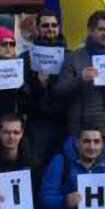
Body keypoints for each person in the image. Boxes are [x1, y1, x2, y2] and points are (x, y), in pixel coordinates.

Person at [54, 12, 105, 163]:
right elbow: (59, 90)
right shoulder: (74, 58)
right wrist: (81, 79)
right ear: (90, 31)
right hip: (84, 136)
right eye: (101, 29)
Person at [25, 10, 68, 163]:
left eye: (54, 25)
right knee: (37, 165)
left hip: (65, 122)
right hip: (38, 123)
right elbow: (22, 89)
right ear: (37, 28)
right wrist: (38, 85)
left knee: (62, 166)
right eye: (45, 25)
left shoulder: (69, 55)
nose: (50, 28)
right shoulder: (27, 57)